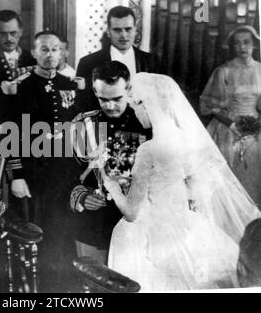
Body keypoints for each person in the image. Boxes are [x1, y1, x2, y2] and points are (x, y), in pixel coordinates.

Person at [107, 72, 261, 291]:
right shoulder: (190, 141)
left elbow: (131, 211)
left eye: (135, 107)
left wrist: (112, 186)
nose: (135, 112)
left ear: (146, 104)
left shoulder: (149, 149)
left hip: (154, 231)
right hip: (187, 226)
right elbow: (199, 187)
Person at [6, 31, 81, 292]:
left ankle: (63, 287)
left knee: (64, 236)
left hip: (65, 174)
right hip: (35, 174)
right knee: (40, 235)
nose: (50, 55)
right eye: (44, 49)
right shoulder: (21, 88)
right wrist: (17, 175)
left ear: (63, 53)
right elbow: (10, 132)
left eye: (55, 49)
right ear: (34, 53)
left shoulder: (71, 86)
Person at [70, 61, 151, 264]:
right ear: (94, 91)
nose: (110, 106)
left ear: (129, 89)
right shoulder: (82, 124)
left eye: (117, 98)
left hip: (137, 224)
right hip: (94, 224)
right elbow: (66, 172)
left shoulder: (146, 124)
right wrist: (81, 196)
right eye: (103, 99)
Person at [200, 25, 261, 208]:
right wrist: (231, 123)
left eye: (246, 42)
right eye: (237, 43)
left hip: (256, 129)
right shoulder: (224, 71)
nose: (242, 47)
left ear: (254, 45)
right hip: (229, 128)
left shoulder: (260, 70)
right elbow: (208, 105)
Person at [76, 6, 158, 111]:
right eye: (117, 30)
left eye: (128, 29)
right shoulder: (88, 63)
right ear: (109, 32)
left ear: (135, 30)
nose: (123, 35)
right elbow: (83, 103)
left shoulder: (151, 61)